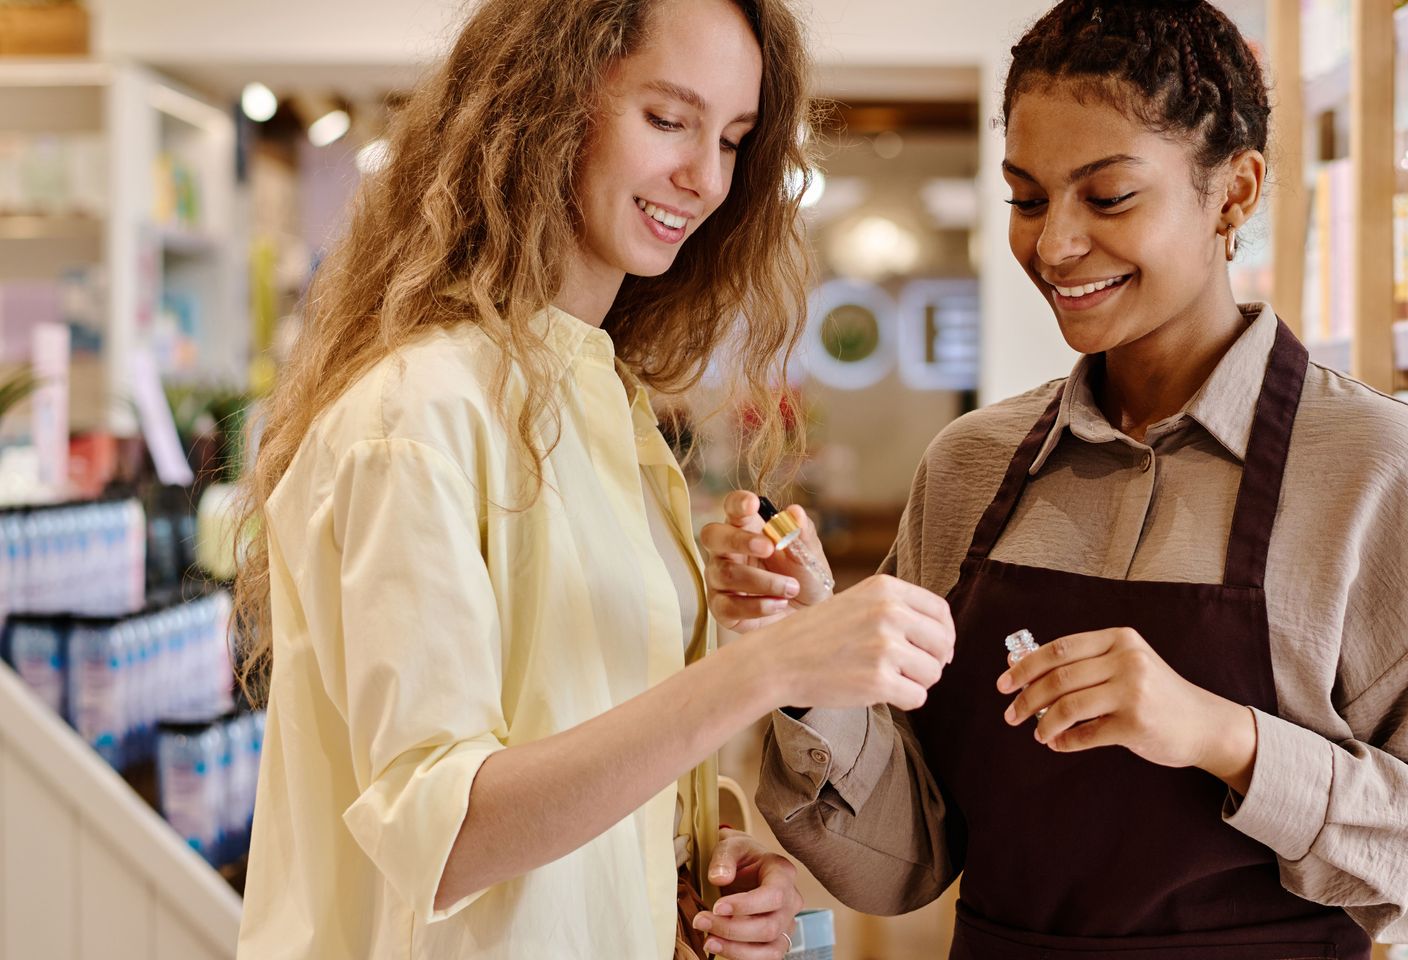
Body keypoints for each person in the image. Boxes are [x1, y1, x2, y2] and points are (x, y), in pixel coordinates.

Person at [703, 1, 1408, 956]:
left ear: (1234, 194)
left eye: (1107, 198)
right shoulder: (969, 468)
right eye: (1026, 198)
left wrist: (1228, 739)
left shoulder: (1372, 464)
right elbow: (908, 863)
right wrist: (810, 653)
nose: (1054, 245)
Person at [229, 0, 955, 956]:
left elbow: (582, 748)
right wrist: (766, 669)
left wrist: (703, 864)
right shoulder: (415, 415)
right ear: (542, 108)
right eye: (668, 120)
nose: (704, 179)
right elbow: (446, 838)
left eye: (733, 140)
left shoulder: (607, 402)